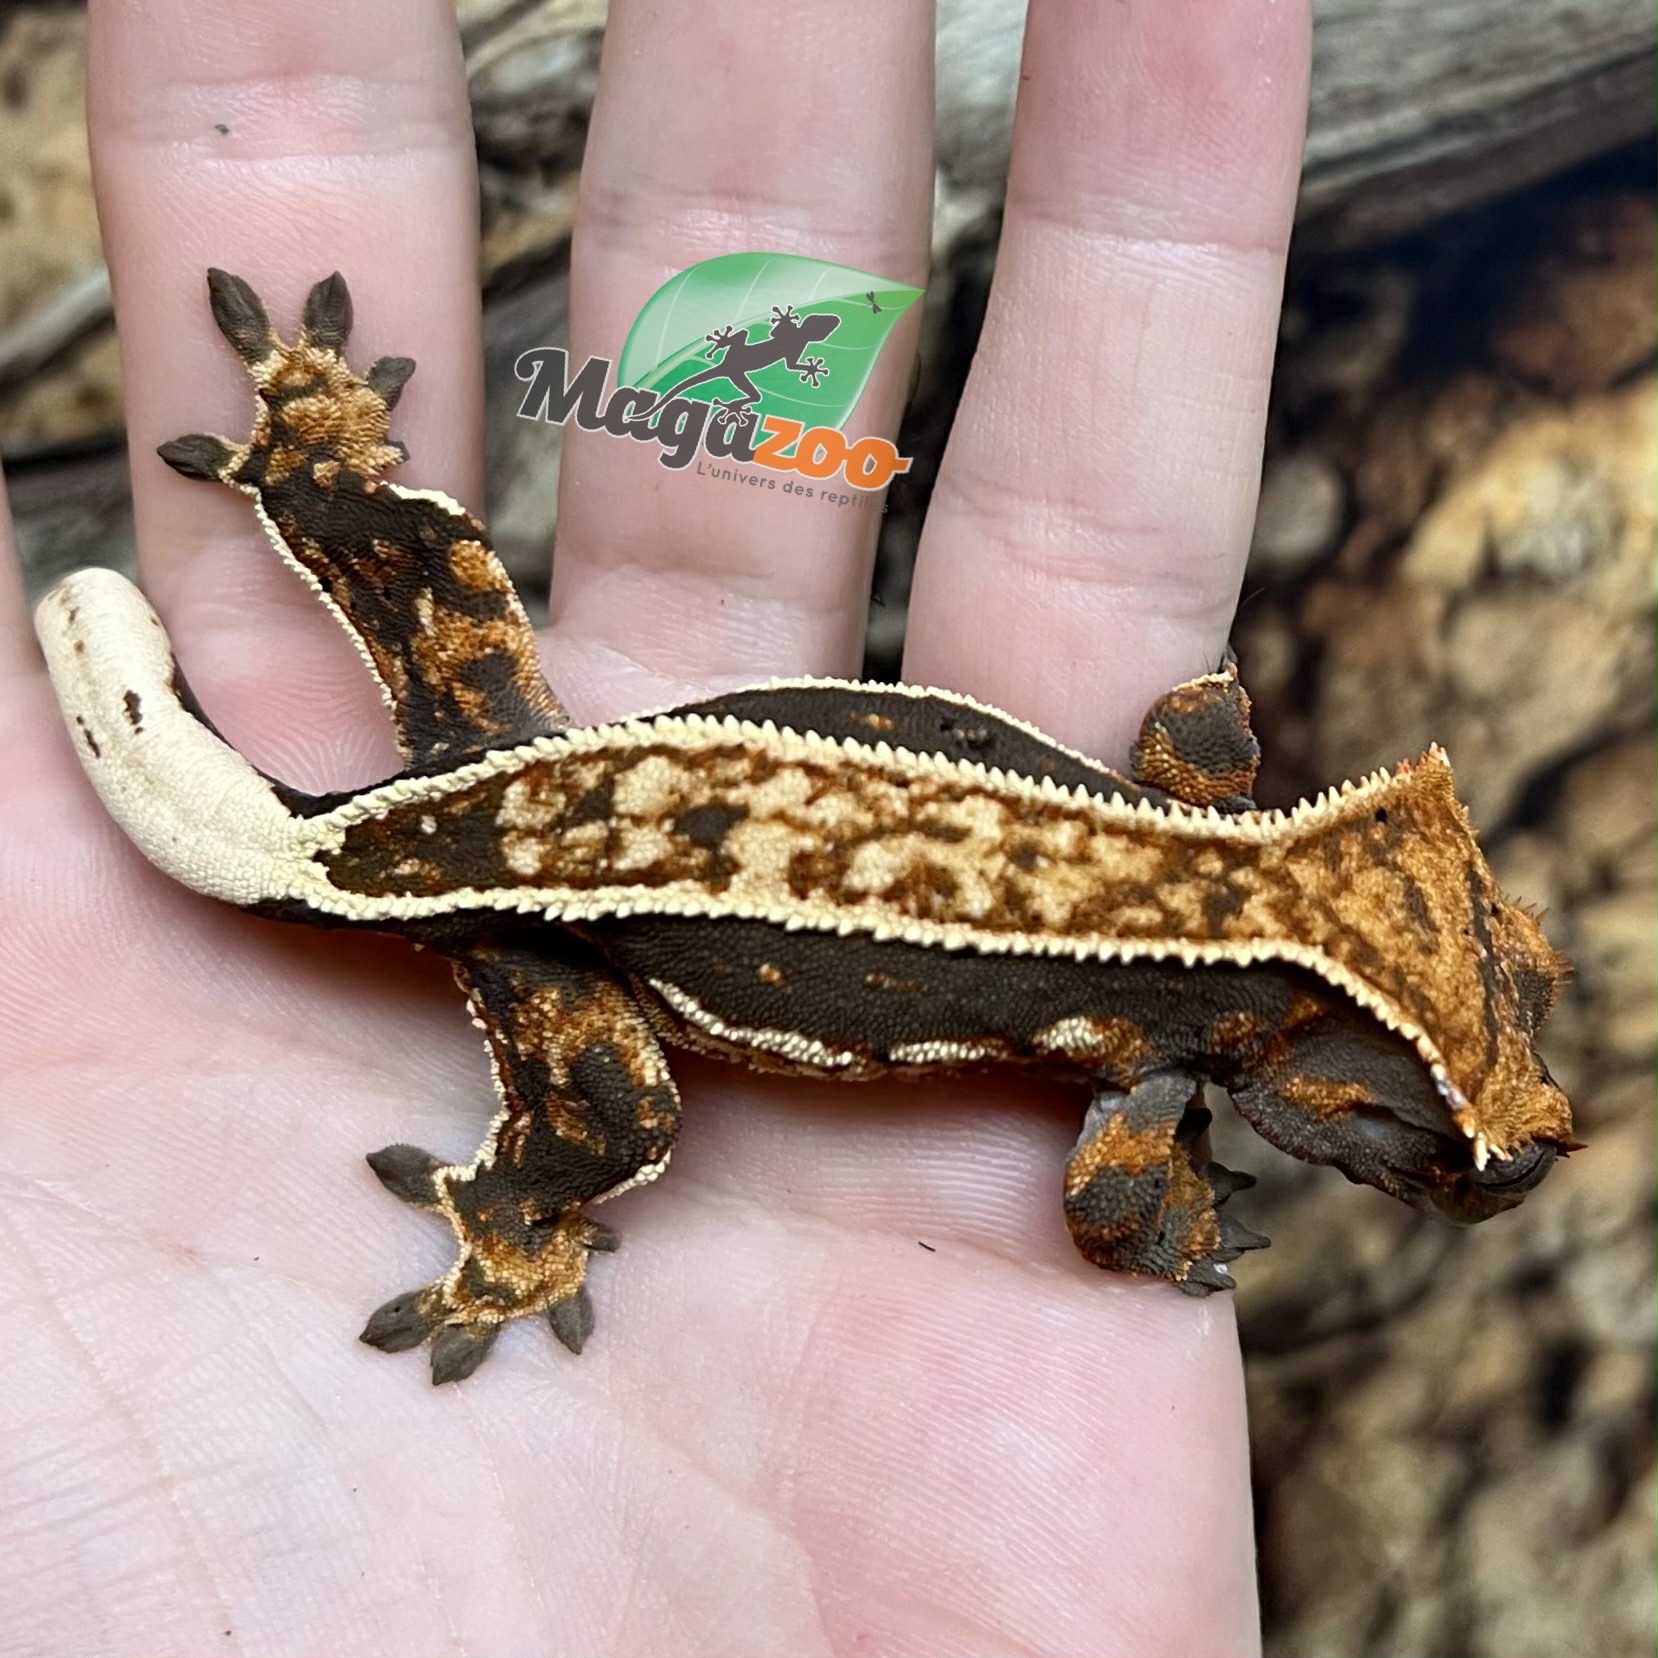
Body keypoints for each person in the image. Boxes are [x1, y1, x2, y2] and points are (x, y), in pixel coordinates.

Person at [0, 1, 1310, 1650]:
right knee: (602, 1106)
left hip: (533, 807)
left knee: (455, 628)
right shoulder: (1171, 1036)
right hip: (514, 879)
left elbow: (1194, 728)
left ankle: (307, 457)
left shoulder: (1200, 884)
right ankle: (515, 1220)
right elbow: (1122, 1193)